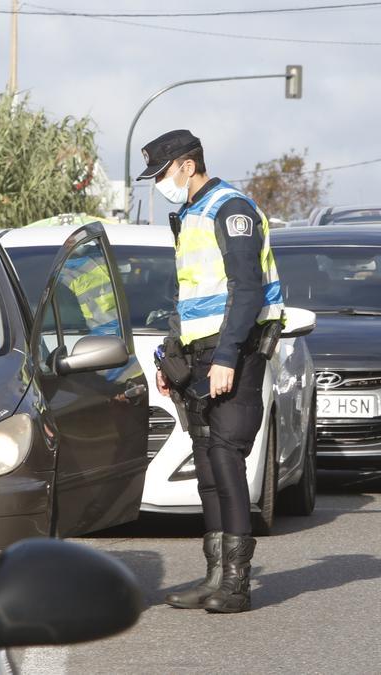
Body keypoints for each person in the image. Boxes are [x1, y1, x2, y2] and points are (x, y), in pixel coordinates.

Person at [141, 130, 284, 614]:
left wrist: (226, 357)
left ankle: (238, 584)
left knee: (226, 457)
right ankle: (214, 576)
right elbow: (190, 292)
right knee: (206, 463)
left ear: (186, 164)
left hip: (234, 353)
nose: (159, 183)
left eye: (161, 173)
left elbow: (247, 291)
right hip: (198, 352)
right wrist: (170, 353)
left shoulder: (232, 209)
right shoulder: (190, 214)